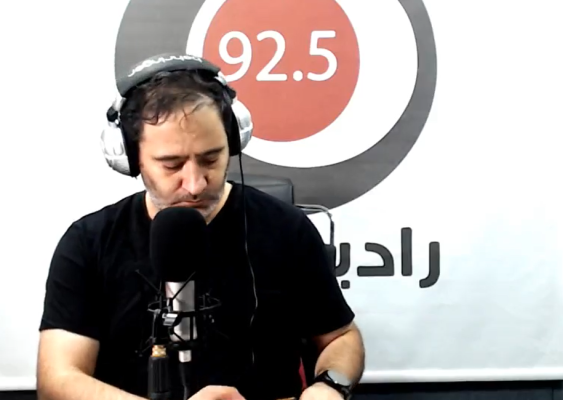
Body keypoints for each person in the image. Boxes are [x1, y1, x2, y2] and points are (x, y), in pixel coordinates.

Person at [36, 54, 365, 400]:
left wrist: (330, 387)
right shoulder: (89, 242)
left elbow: (341, 338)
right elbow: (58, 379)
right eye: (171, 165)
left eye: (211, 159)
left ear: (233, 141)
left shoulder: (286, 229)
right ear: (130, 158)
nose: (194, 185)